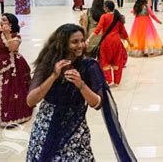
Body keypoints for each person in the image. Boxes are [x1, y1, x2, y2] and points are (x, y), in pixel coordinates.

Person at [26, 24, 136, 161]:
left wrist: (81, 84)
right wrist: (54, 76)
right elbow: (31, 101)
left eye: (82, 40)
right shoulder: (47, 64)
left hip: (75, 130)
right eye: (74, 42)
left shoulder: (89, 66)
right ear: (62, 44)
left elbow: (97, 103)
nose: (80, 45)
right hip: (45, 127)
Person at [0, 13, 33, 126]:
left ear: (11, 23)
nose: (1, 22)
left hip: (13, 67)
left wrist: (7, 34)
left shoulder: (16, 36)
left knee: (10, 89)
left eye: (4, 20)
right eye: (1, 20)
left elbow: (13, 48)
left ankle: (10, 113)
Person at [86, 1, 131, 86]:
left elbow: (97, 30)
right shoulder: (118, 17)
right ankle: (117, 82)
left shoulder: (104, 17)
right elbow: (123, 32)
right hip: (117, 42)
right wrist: (130, 42)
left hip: (106, 42)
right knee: (117, 61)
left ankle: (109, 80)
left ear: (106, 8)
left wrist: (88, 39)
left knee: (105, 60)